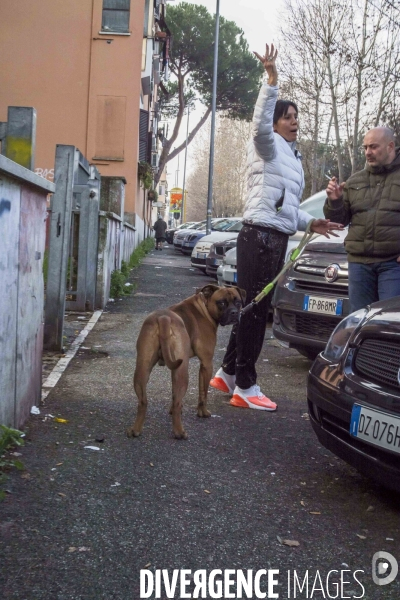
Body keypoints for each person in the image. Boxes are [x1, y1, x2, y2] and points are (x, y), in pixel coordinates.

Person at [209, 43, 343, 411]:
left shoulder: (291, 158)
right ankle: (247, 387)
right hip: (261, 237)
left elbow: (285, 208)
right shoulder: (267, 145)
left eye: (297, 116)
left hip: (273, 234)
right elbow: (258, 124)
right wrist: (271, 81)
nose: (295, 121)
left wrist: (311, 221)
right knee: (255, 308)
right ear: (275, 123)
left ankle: (228, 374)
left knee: (251, 307)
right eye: (288, 116)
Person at [324, 127, 400, 312]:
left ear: (390, 146)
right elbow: (340, 221)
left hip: (392, 265)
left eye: (373, 147)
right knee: (359, 321)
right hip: (359, 265)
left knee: (388, 323)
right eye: (365, 147)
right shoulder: (355, 181)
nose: (368, 152)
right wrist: (335, 201)